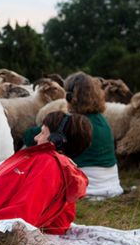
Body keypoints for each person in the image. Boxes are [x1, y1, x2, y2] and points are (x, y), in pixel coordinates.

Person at [23, 72, 124, 200]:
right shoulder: (103, 121)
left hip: (87, 188)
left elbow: (30, 137)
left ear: (70, 97)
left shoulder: (72, 123)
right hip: (112, 186)